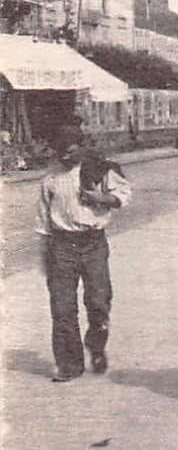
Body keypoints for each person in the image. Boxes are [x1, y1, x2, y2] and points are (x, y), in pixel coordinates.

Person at [35, 125, 132, 382]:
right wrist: (45, 254)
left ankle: (96, 345)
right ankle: (69, 365)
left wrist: (100, 198)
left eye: (69, 152)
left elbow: (123, 195)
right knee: (62, 308)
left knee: (99, 302)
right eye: (60, 153)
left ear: (82, 146)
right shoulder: (51, 177)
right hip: (61, 246)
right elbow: (44, 220)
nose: (64, 158)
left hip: (93, 244)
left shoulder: (99, 168)